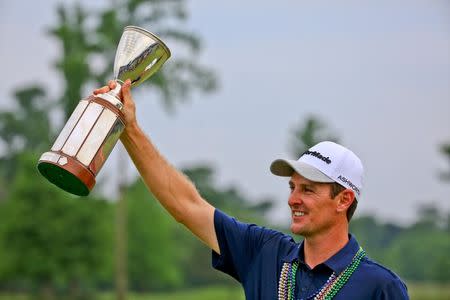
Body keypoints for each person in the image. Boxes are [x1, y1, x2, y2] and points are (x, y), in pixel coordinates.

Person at [94, 80, 410, 300]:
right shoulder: (266, 253)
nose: (293, 199)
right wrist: (129, 130)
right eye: (292, 187)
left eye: (308, 190)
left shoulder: (381, 288)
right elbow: (186, 205)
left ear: (344, 199)